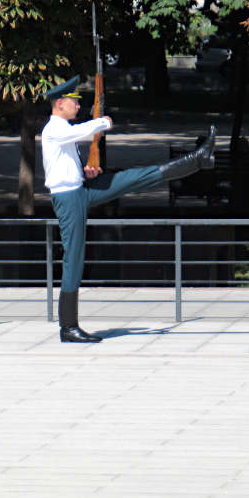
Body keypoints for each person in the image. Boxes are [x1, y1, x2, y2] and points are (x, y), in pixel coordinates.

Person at [41, 75, 215, 342]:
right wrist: (102, 121)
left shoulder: (63, 129)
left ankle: (195, 160)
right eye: (75, 102)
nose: (78, 106)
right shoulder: (54, 128)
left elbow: (68, 160)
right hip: (68, 200)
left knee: (132, 178)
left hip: (81, 190)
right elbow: (80, 132)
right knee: (73, 259)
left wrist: (86, 172)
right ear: (61, 103)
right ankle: (68, 326)